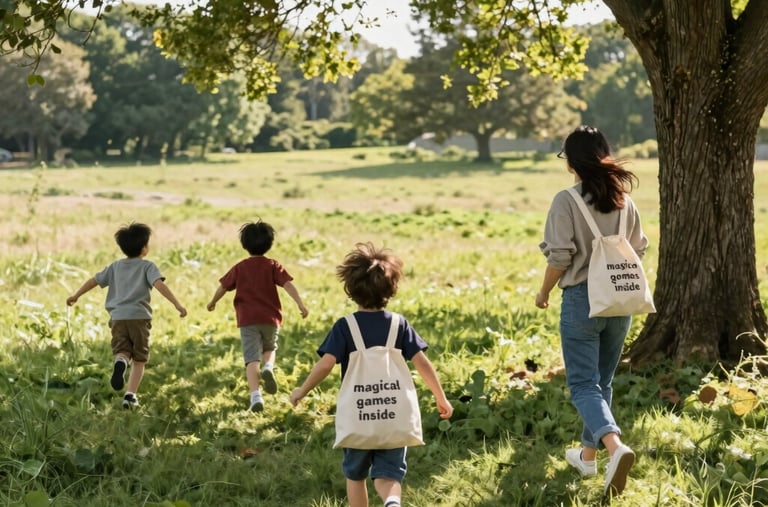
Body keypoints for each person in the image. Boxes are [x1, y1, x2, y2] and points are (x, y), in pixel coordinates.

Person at [290, 242, 453, 507]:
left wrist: (301, 390)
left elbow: (325, 365)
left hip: (359, 416)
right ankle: (391, 502)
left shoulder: (345, 327)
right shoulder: (399, 325)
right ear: (392, 289)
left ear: (350, 290)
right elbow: (422, 363)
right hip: (393, 413)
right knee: (388, 474)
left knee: (355, 476)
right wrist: (441, 397)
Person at [535, 126, 648, 496]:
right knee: (603, 383)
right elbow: (638, 249)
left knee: (583, 383)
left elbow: (561, 256)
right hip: (620, 301)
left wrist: (544, 291)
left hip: (583, 301)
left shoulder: (565, 201)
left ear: (571, 162)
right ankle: (587, 455)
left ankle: (614, 448)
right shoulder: (624, 202)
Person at [66, 222, 187, 409]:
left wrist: (76, 295)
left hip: (118, 318)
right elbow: (160, 285)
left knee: (122, 351)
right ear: (144, 248)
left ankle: (121, 362)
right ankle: (130, 396)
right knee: (139, 359)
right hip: (139, 318)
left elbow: (94, 281)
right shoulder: (148, 266)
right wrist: (177, 304)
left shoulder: (114, 267)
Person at [207, 220, 308, 412]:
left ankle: (255, 396)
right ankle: (268, 366)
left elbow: (224, 287)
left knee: (251, 359)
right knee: (269, 347)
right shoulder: (272, 265)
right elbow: (288, 285)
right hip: (270, 318)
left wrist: (213, 302)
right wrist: (300, 304)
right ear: (269, 243)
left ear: (245, 244)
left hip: (247, 320)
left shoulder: (240, 267)